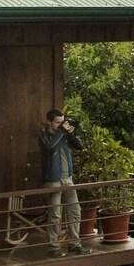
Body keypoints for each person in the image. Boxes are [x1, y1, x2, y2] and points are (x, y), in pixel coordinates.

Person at [38, 108, 85, 252]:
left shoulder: (63, 135)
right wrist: (62, 132)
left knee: (75, 211)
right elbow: (50, 148)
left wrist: (71, 134)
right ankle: (53, 247)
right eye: (57, 122)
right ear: (50, 122)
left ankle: (74, 244)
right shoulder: (43, 135)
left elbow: (80, 146)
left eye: (62, 122)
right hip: (53, 179)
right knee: (55, 215)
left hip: (68, 178)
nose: (60, 125)